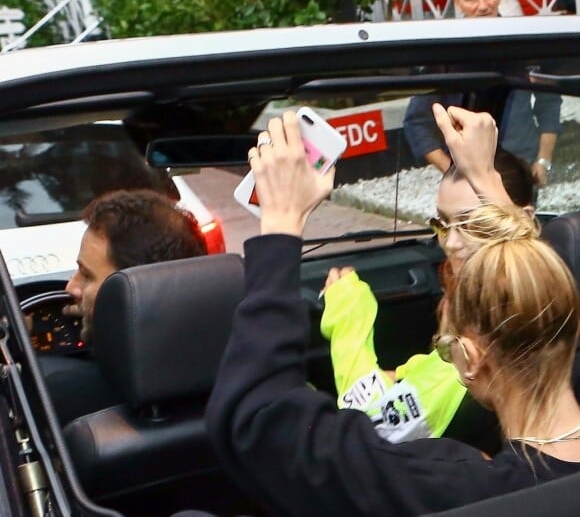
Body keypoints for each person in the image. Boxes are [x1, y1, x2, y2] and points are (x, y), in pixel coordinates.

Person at [206, 108, 580, 516]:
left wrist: (280, 222)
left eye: (444, 348)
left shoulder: (464, 485)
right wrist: (487, 184)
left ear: (469, 359)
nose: (452, 244)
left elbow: (264, 424)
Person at [319, 146, 535, 449]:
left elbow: (372, 422)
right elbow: (429, 376)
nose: (452, 243)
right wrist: (397, 377)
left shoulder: (490, 339)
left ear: (522, 221)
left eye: (473, 223)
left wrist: (348, 314)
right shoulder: (510, 307)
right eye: (442, 224)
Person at [40, 188, 208, 426]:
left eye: (87, 275)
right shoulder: (242, 381)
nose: (71, 287)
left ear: (133, 290)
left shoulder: (58, 398)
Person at [403, 0, 562, 188]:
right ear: (458, 3)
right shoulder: (443, 55)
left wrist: (543, 160)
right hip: (469, 182)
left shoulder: (524, 44)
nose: (483, 5)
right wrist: (454, 174)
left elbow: (550, 102)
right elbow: (416, 122)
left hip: (520, 172)